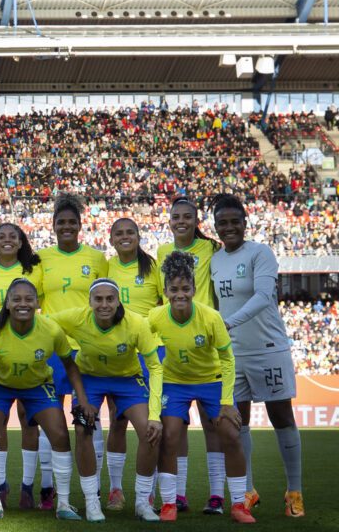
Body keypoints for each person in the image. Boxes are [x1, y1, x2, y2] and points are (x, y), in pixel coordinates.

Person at [210, 194, 304, 518]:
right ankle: (248, 491)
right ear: (215, 226)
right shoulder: (215, 259)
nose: (229, 227)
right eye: (222, 222)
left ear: (245, 222)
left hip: (268, 350)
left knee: (282, 418)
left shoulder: (261, 253)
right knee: (238, 424)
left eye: (235, 221)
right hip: (233, 354)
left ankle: (294, 492)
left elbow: (264, 297)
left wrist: (227, 323)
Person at [45, 279, 164, 522]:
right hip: (89, 380)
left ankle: (142, 502)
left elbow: (155, 367)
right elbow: (40, 321)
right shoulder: (76, 317)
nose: (104, 304)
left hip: (127, 380)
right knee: (82, 430)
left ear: (118, 300)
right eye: (98, 299)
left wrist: (154, 415)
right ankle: (92, 502)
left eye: (110, 298)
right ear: (89, 302)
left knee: (150, 431)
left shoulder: (136, 323)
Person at [151, 251, 255, 523]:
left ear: (195, 289)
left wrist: (227, 401)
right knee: (170, 436)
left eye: (186, 288)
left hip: (212, 381)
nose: (180, 294)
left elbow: (228, 359)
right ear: (165, 291)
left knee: (231, 435)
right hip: (174, 383)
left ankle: (238, 505)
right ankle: (169, 504)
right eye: (174, 289)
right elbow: (142, 346)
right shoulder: (155, 317)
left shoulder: (210, 317)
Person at [0, 278, 86, 521]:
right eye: (17, 299)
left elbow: (70, 366)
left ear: (37, 303)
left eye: (28, 299)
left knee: (60, 434)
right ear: (7, 303)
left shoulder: (51, 330)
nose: (23, 304)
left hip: (37, 385)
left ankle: (63, 504)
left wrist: (83, 400)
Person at [35, 194, 108, 510]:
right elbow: (30, 301)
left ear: (80, 226)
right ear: (53, 227)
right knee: (49, 419)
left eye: (71, 222)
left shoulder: (96, 258)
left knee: (91, 419)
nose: (66, 227)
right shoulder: (40, 259)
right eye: (60, 222)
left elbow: (107, 299)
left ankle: (95, 492)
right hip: (52, 349)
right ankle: (48, 489)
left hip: (88, 349)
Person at [157, 196, 223, 514]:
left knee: (214, 426)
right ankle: (179, 495)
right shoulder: (161, 252)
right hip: (173, 343)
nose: (181, 220)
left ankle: (216, 496)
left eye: (187, 216)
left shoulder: (211, 249)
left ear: (196, 220)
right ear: (169, 221)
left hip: (207, 340)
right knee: (176, 426)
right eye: (176, 216)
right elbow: (161, 298)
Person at [0, 222, 44, 509]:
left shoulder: (34, 272)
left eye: (12, 237)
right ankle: (0, 486)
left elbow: (42, 308)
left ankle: (28, 487)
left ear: (20, 242)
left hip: (29, 347)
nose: (6, 241)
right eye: (0, 237)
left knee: (29, 417)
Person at [104, 217, 163, 511]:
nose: (125, 237)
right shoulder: (107, 268)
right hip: (117, 353)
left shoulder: (153, 268)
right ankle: (115, 490)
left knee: (151, 423)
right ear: (111, 238)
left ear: (139, 236)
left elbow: (167, 307)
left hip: (149, 352)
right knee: (117, 419)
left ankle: (147, 492)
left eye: (130, 232)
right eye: (119, 233)